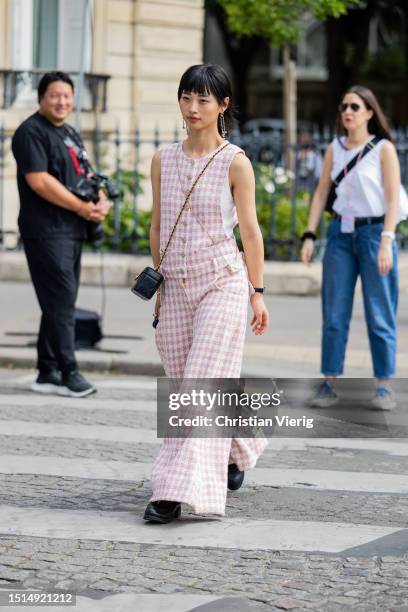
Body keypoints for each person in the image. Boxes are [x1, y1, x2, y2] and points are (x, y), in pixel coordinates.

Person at [144, 64, 269, 523]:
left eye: (203, 99)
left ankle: (172, 491)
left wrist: (256, 292)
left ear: (223, 105)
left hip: (222, 283)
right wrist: (158, 282)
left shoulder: (235, 161)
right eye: (186, 98)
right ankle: (239, 447)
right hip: (175, 285)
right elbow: (157, 225)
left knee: (196, 388)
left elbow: (251, 234)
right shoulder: (162, 159)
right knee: (188, 382)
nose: (193, 108)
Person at [301, 85, 405, 410]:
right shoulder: (335, 147)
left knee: (379, 312)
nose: (347, 111)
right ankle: (329, 381)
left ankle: (384, 384)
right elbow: (321, 192)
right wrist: (309, 233)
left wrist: (387, 240)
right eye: (344, 106)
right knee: (334, 314)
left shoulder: (383, 149)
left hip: (374, 234)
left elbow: (392, 198)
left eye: (355, 107)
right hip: (339, 234)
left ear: (370, 113)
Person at [12, 71, 110, 398]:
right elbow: (39, 181)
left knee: (60, 301)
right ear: (41, 98)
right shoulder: (30, 132)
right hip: (45, 231)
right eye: (54, 95)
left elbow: (86, 174)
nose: (62, 101)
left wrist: (99, 201)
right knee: (62, 301)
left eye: (67, 96)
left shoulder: (69, 133)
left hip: (71, 230)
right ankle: (69, 371)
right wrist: (82, 209)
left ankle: (47, 370)